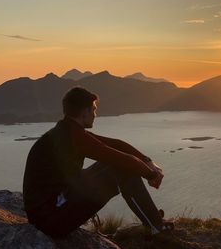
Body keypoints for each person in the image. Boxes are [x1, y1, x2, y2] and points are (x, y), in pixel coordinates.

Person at [23, 86, 173, 238]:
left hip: (53, 208)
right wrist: (151, 175)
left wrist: (147, 161)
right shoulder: (74, 136)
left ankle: (153, 220)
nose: (95, 114)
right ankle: (157, 226)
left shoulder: (67, 130)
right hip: (51, 219)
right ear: (85, 112)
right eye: (93, 109)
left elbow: (116, 144)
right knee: (122, 167)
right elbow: (121, 159)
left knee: (120, 164)